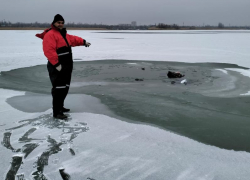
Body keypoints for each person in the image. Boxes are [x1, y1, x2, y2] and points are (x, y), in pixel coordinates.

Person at [36, 14, 91, 119]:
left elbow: (74, 40)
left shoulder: (64, 34)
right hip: (57, 66)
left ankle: (60, 107)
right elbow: (49, 51)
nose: (60, 24)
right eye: (58, 22)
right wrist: (56, 64)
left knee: (65, 87)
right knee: (58, 88)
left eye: (62, 22)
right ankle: (57, 112)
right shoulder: (50, 34)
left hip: (66, 66)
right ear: (54, 23)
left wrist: (83, 42)